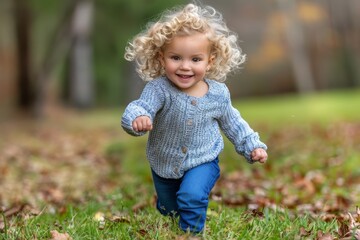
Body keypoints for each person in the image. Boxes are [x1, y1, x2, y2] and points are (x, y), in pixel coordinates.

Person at [121, 3, 268, 234]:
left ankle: (192, 234)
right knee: (171, 208)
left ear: (210, 61)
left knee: (191, 197)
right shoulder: (159, 89)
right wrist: (138, 118)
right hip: (164, 163)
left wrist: (251, 145)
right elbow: (141, 107)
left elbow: (233, 123)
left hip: (203, 159)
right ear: (162, 59)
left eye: (195, 60)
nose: (185, 67)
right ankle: (171, 209)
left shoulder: (218, 94)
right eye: (176, 58)